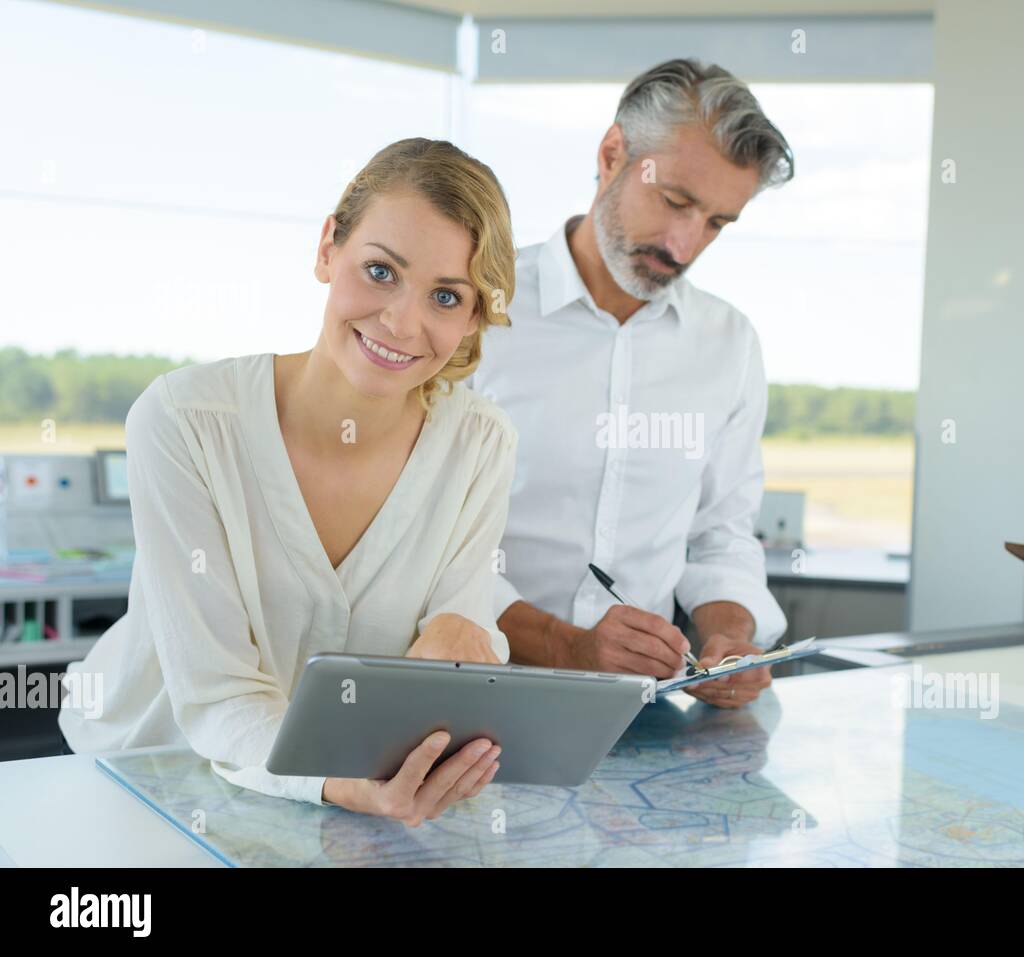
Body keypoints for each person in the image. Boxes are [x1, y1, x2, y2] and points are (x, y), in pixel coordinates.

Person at [59, 138, 517, 825]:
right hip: (150, 776)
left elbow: (458, 628)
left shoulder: (482, 443)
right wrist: (342, 776)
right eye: (381, 271)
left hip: (341, 803)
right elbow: (217, 698)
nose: (401, 322)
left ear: (474, 317)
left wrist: (465, 627)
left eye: (446, 295)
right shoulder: (184, 421)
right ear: (328, 246)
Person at [472, 59, 794, 709]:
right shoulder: (477, 306)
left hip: (641, 719)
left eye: (716, 223)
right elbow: (422, 545)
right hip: (476, 697)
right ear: (614, 154)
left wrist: (728, 638)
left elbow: (720, 533)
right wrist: (565, 646)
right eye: (675, 201)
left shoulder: (728, 344)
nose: (685, 244)